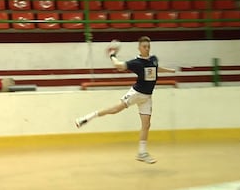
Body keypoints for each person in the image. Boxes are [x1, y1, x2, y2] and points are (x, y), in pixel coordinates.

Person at [75, 36, 176, 164]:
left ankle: (142, 153)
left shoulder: (153, 59)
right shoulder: (136, 63)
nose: (147, 49)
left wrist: (170, 70)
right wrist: (112, 55)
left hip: (147, 97)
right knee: (115, 109)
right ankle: (88, 117)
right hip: (136, 93)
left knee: (146, 125)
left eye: (148, 46)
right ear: (139, 48)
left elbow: (155, 69)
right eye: (144, 46)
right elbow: (118, 65)